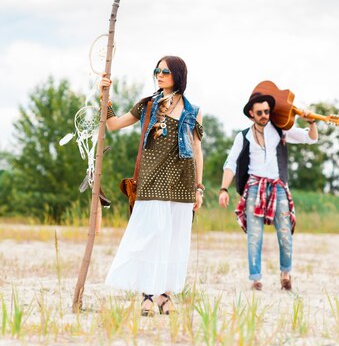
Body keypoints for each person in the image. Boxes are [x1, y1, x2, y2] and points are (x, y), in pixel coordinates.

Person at [100, 56, 204, 316]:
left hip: (182, 184)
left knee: (174, 239)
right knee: (151, 236)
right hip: (151, 181)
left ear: (177, 75)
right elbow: (114, 125)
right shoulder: (148, 106)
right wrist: (106, 97)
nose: (159, 74)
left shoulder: (193, 110)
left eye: (165, 71)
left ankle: (164, 295)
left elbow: (197, 150)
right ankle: (147, 292)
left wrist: (199, 188)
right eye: (157, 70)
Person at [218, 84, 318, 292]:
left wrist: (311, 123)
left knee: (285, 233)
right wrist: (223, 189)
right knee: (254, 235)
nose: (264, 115)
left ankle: (285, 274)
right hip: (254, 187)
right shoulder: (242, 136)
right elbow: (230, 163)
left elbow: (310, 138)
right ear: (251, 114)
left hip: (278, 186)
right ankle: (256, 279)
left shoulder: (281, 130)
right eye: (260, 113)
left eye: (266, 111)